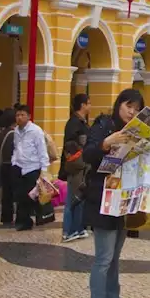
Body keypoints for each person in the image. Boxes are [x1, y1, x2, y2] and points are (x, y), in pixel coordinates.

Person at [82, 88, 144, 298]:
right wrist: (107, 143)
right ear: (119, 104)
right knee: (104, 258)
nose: (132, 112)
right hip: (102, 198)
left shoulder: (134, 132)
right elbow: (87, 155)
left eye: (137, 109)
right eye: (129, 106)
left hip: (123, 198)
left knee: (115, 257)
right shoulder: (103, 125)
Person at [9, 104, 49, 231]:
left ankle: (29, 220)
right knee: (20, 195)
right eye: (17, 115)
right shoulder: (16, 131)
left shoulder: (36, 131)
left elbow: (42, 150)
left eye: (22, 115)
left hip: (32, 167)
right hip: (19, 166)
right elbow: (16, 147)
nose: (19, 118)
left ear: (29, 116)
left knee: (30, 195)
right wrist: (14, 161)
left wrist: (44, 170)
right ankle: (23, 220)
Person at [60, 93, 91, 242]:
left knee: (80, 198)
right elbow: (70, 145)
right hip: (76, 165)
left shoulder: (82, 122)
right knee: (72, 199)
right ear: (83, 105)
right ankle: (68, 230)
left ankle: (79, 228)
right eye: (89, 103)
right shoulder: (74, 123)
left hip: (83, 165)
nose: (90, 106)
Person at [0, 109, 17, 225]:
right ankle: (12, 215)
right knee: (13, 192)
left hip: (3, 165)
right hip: (11, 165)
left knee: (6, 193)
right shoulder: (12, 134)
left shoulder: (0, 133)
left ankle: (6, 216)